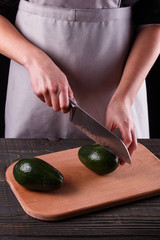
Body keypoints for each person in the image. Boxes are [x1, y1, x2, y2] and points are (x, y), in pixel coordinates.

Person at [0, 0, 160, 159]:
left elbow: (153, 22)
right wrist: (34, 60)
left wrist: (124, 98)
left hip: (118, 94)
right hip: (33, 90)